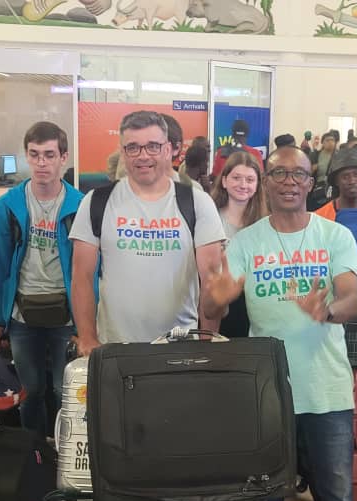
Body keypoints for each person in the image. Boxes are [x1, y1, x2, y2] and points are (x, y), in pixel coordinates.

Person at [201, 146, 357, 501]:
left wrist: (328, 310)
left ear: (311, 182)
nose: (290, 182)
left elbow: (352, 299)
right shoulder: (246, 242)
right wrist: (217, 299)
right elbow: (211, 306)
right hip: (268, 392)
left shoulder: (335, 236)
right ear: (266, 183)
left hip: (327, 391)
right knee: (268, 500)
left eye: (299, 174)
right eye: (279, 173)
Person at [70, 110, 225, 355]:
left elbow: (211, 281)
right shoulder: (96, 202)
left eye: (153, 146)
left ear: (168, 150)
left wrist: (206, 347)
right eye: (133, 147)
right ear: (123, 153)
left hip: (180, 347)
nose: (143, 156)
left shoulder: (197, 202)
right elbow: (81, 277)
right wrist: (88, 338)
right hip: (115, 348)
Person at [0, 121, 83, 437]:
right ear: (27, 156)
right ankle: (33, 451)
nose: (42, 162)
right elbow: (0, 267)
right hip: (22, 315)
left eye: (49, 154)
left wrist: (86, 324)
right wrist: (1, 320)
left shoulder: (81, 207)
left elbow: (90, 271)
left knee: (64, 390)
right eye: (34, 154)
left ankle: (62, 448)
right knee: (29, 392)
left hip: (66, 316)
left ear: (63, 157)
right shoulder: (7, 206)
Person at [209, 150, 265, 338]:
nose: (243, 185)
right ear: (224, 181)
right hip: (217, 302)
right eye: (236, 178)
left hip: (253, 306)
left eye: (250, 180)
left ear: (257, 185)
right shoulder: (208, 218)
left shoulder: (265, 223)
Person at [160, 114, 204, 192]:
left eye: (153, 146)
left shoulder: (193, 189)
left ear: (176, 148)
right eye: (137, 147)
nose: (144, 155)